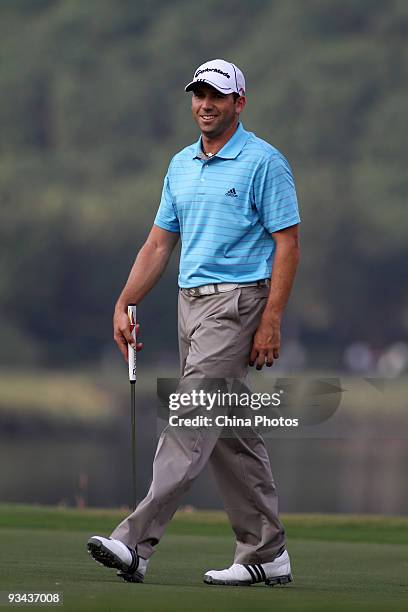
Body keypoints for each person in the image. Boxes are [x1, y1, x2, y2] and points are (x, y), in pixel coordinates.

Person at [87, 59, 300, 587]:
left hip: (237, 306)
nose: (205, 105)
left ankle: (133, 545)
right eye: (198, 96)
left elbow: (287, 243)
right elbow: (160, 243)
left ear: (239, 103)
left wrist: (272, 318)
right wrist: (124, 302)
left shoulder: (263, 162)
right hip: (190, 306)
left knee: (191, 418)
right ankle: (266, 552)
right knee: (231, 434)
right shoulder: (180, 164)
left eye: (217, 97)